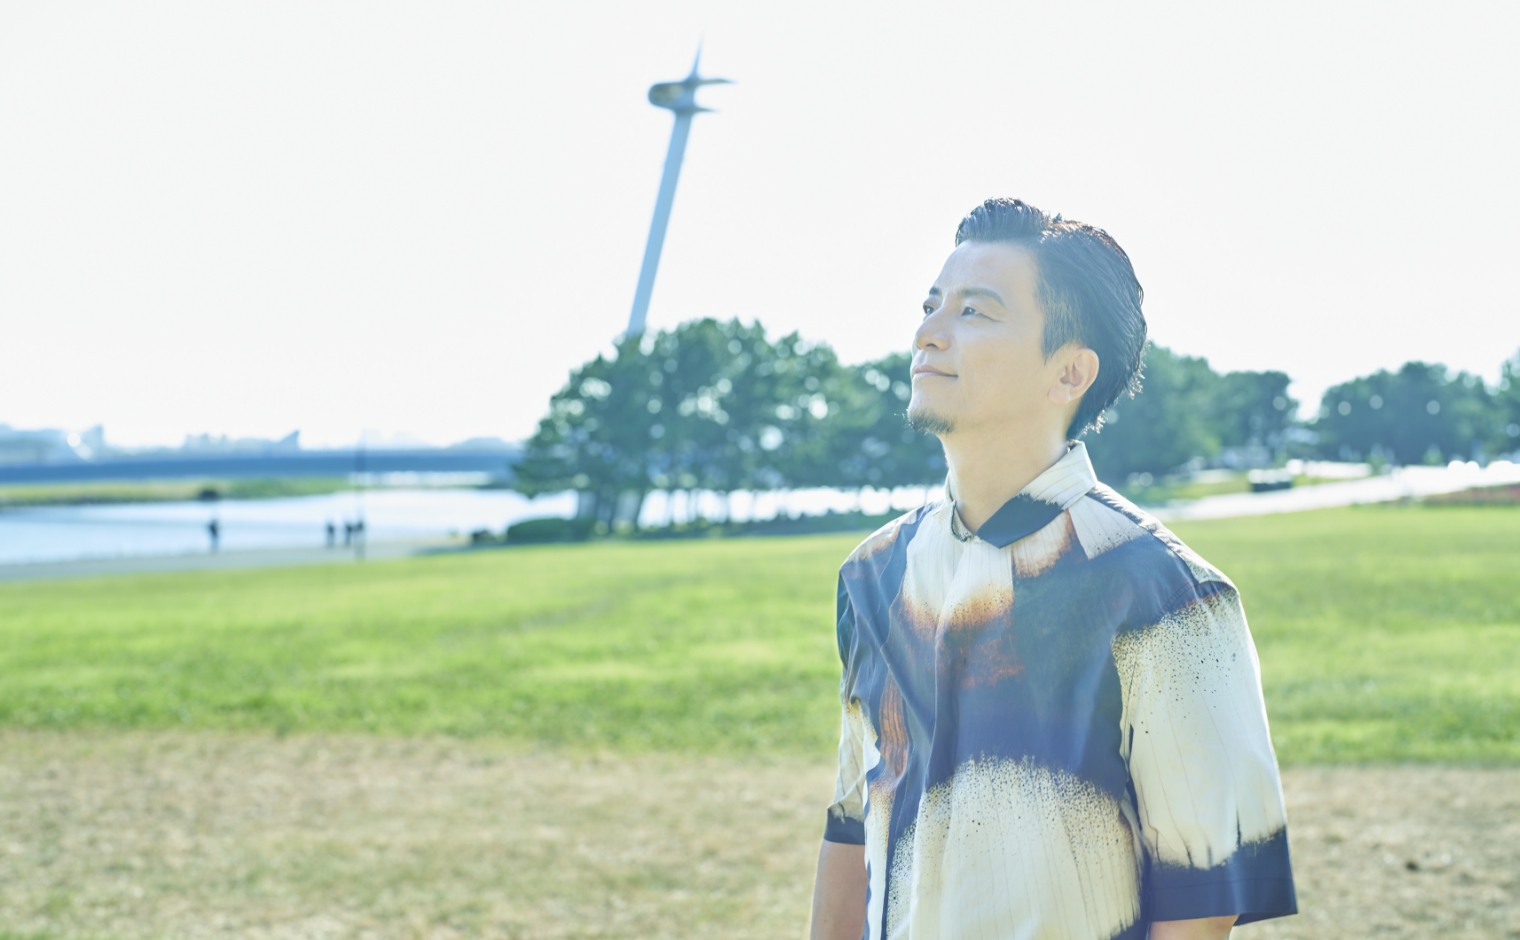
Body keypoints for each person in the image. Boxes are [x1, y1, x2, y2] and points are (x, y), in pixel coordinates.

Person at [809, 199, 1295, 940]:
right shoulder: (872, 574)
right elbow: (853, 825)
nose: (928, 332)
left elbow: (1203, 895)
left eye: (975, 311)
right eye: (931, 305)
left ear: (1069, 371)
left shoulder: (1168, 593)